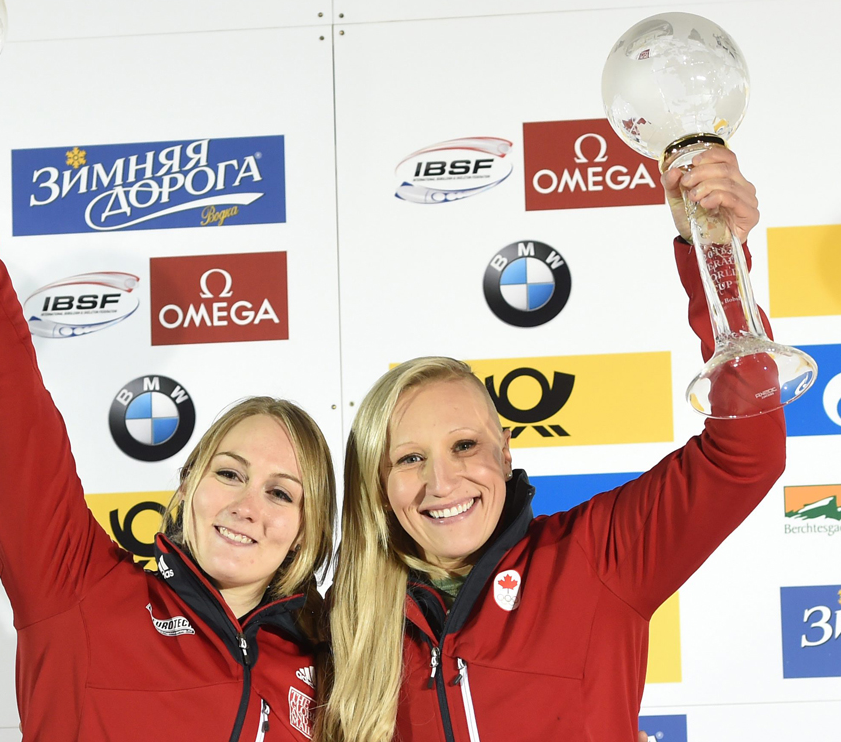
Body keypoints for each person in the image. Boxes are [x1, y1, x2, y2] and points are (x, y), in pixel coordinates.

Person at [0, 88, 335, 741]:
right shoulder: (78, 595)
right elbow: (6, 394)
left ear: (306, 527)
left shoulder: (336, 667)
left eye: (280, 492)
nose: (247, 506)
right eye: (230, 473)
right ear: (187, 488)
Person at [323, 149, 784, 742]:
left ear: (505, 450)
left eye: (464, 445)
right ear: (378, 483)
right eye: (410, 458)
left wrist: (716, 253)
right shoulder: (342, 624)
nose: (441, 483)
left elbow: (746, 453)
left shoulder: (594, 558)